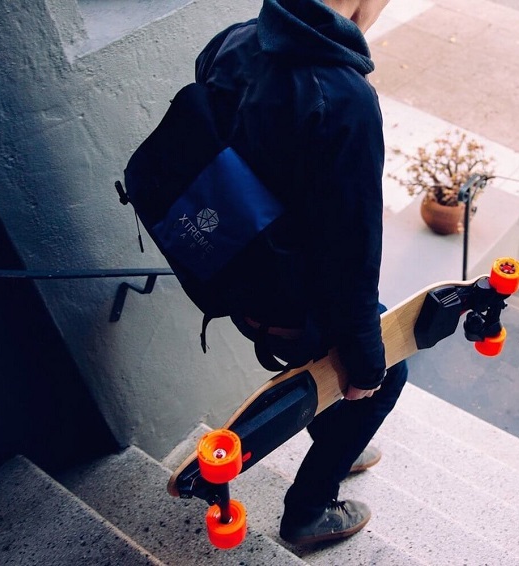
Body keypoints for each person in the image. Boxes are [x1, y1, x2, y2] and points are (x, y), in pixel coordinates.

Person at [193, 0, 405, 546]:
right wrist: (366, 363)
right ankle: (309, 510)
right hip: (291, 302)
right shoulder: (344, 98)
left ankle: (336, 433)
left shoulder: (234, 40)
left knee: (338, 373)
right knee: (384, 376)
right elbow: (354, 250)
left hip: (234, 278)